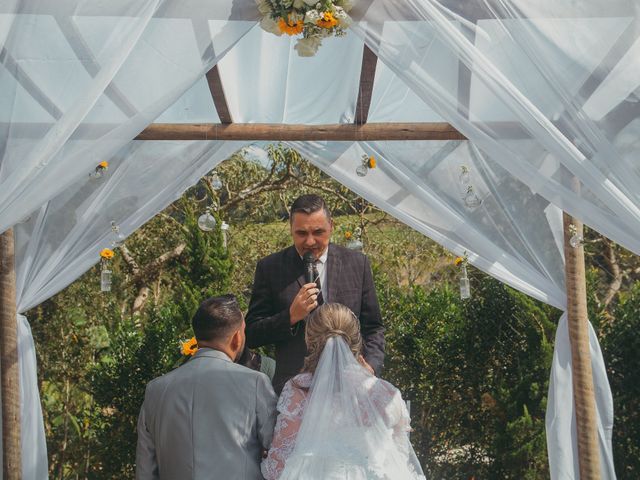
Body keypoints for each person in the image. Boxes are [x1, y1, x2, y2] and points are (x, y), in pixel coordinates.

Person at [261, 303, 425, 479]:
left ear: (309, 340)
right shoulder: (386, 393)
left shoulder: (298, 390)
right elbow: (400, 461)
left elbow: (277, 467)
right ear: (356, 341)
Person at [245, 194, 385, 393]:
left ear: (331, 226)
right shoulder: (270, 268)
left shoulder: (357, 264)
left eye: (318, 232)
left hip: (350, 387)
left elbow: (374, 328)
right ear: (291, 230)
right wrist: (290, 317)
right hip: (295, 391)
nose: (310, 241)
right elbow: (252, 334)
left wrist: (370, 366)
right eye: (301, 233)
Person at [135, 294, 277, 480]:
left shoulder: (156, 390)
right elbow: (279, 448)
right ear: (237, 338)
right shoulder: (255, 383)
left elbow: (145, 470)